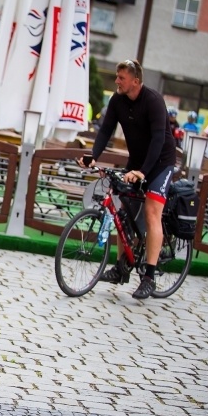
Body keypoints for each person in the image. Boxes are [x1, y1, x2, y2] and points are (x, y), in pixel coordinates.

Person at [77, 59, 178, 300]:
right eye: (117, 76)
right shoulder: (117, 100)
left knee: (152, 212)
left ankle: (149, 277)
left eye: (121, 77)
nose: (116, 81)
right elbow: (105, 130)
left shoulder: (153, 101)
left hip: (160, 162)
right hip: (137, 161)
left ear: (135, 81)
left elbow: (158, 140)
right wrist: (93, 155)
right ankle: (122, 266)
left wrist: (143, 172)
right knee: (123, 211)